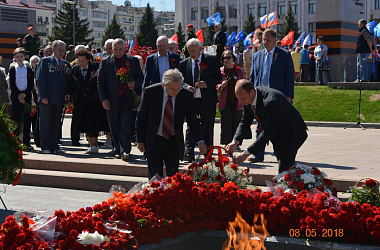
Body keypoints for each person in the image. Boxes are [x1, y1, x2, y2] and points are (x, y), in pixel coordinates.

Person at [136, 69, 207, 179]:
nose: (176, 91)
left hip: (173, 141)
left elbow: (193, 120)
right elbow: (141, 117)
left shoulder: (185, 95)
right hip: (154, 140)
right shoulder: (151, 92)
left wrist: (200, 140)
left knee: (173, 178)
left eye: (179, 87)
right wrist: (140, 140)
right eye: (173, 88)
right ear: (164, 85)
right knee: (155, 178)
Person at [226, 79, 308, 173]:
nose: (240, 101)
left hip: (292, 133)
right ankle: (296, 181)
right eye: (238, 98)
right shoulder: (247, 98)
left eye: (242, 98)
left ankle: (302, 182)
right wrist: (235, 142)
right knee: (285, 165)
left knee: (285, 166)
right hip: (278, 134)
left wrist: (246, 153)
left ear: (252, 92)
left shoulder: (271, 101)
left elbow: (267, 132)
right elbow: (245, 122)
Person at [249, 29, 295, 163]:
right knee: (260, 126)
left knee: (279, 127)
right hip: (260, 97)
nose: (265, 42)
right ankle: (258, 154)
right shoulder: (257, 55)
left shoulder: (284, 55)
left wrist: (288, 96)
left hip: (278, 97)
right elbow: (253, 76)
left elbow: (289, 76)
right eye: (263, 39)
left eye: (268, 40)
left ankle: (281, 154)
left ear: (275, 40)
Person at [97, 38, 144, 161]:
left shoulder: (132, 61)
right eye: (115, 49)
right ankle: (117, 149)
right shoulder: (106, 62)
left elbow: (140, 77)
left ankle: (125, 151)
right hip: (111, 99)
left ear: (125, 49)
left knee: (125, 125)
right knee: (114, 125)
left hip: (127, 99)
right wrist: (104, 99)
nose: (118, 52)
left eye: (120, 49)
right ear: (112, 49)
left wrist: (134, 83)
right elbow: (100, 83)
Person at [178, 38, 222, 162]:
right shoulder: (184, 63)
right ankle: (188, 152)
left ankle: (207, 154)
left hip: (207, 100)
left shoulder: (210, 60)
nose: (191, 53)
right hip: (191, 100)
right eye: (189, 51)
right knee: (191, 126)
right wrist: (187, 87)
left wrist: (206, 83)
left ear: (200, 49)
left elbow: (218, 77)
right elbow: (181, 81)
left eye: (193, 50)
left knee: (207, 126)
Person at [36, 40, 71, 154]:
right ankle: (45, 145)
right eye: (59, 50)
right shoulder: (45, 61)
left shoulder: (65, 64)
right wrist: (43, 96)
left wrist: (67, 93)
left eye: (63, 50)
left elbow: (68, 81)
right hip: (47, 98)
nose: (62, 53)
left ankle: (54, 144)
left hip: (60, 98)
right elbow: (40, 79)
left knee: (56, 122)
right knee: (45, 122)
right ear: (53, 50)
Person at [71, 49, 108, 154]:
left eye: (83, 60)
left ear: (88, 59)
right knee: (85, 123)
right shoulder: (75, 69)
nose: (81, 63)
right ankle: (91, 145)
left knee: (93, 123)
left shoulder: (96, 67)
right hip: (81, 100)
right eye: (79, 60)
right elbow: (72, 84)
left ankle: (95, 145)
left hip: (94, 100)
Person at [216, 50, 246, 146]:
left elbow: (245, 83)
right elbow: (215, 86)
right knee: (226, 123)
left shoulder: (239, 71)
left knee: (236, 122)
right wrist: (221, 86)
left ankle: (235, 143)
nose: (226, 60)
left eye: (229, 57)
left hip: (238, 101)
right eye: (224, 58)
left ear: (233, 59)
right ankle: (226, 142)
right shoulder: (220, 71)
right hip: (224, 101)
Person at [9, 48, 35, 150]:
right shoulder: (12, 69)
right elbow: (12, 84)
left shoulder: (28, 69)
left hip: (26, 96)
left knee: (27, 119)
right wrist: (19, 95)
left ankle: (27, 142)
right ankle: (15, 142)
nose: (19, 58)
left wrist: (25, 94)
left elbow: (30, 83)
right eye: (17, 56)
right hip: (16, 97)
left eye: (21, 56)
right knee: (16, 119)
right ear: (15, 57)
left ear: (24, 57)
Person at [29, 55, 40, 147]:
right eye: (33, 61)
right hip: (29, 99)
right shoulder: (28, 71)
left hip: (37, 100)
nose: (35, 63)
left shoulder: (40, 71)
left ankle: (38, 140)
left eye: (37, 61)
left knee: (37, 121)